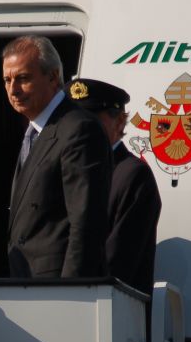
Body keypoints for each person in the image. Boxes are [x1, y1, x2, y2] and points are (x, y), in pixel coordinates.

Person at [3, 35, 111, 278]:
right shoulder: (36, 132)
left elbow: (85, 225)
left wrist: (70, 295)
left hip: (57, 291)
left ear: (53, 77)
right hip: (29, 283)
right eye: (7, 80)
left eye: (22, 78)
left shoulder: (78, 129)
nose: (13, 90)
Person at [66, 78, 162, 296]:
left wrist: (68, 294)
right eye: (73, 120)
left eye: (91, 121)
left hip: (107, 311)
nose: (79, 128)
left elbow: (117, 263)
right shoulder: (66, 171)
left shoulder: (132, 175)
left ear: (120, 122)